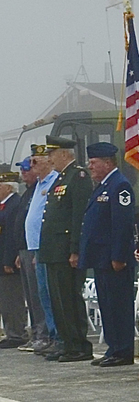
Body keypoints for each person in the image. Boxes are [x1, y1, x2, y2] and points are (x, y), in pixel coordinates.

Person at [79, 142, 136, 367]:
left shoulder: (119, 186)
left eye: (93, 163)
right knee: (107, 305)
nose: (90, 167)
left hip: (114, 259)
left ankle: (123, 350)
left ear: (108, 162)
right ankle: (114, 347)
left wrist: (119, 256)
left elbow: (122, 225)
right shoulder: (103, 185)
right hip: (101, 258)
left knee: (118, 305)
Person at [38, 137, 94, 363]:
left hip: (65, 250)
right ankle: (67, 343)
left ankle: (79, 344)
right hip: (53, 251)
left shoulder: (78, 176)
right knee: (58, 300)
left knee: (70, 298)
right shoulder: (62, 178)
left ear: (64, 154)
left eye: (52, 154)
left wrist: (75, 250)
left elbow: (78, 216)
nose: (49, 159)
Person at [23, 146, 59, 357]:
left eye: (36, 161)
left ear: (48, 160)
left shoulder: (54, 181)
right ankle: (51, 335)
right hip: (36, 247)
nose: (32, 165)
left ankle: (56, 336)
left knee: (52, 293)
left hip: (48, 246)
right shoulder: (37, 185)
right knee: (43, 294)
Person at [12, 158, 49, 352]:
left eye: (28, 168)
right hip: (25, 248)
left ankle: (43, 334)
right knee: (31, 296)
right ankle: (35, 333)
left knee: (38, 295)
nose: (24, 173)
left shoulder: (40, 190)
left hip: (35, 248)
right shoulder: (28, 193)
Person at [0, 172, 27, 347]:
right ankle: (11, 332)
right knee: (5, 300)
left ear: (9, 187)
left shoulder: (14, 204)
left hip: (8, 262)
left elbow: (12, 234)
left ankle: (17, 334)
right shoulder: (5, 205)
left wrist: (9, 260)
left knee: (13, 300)